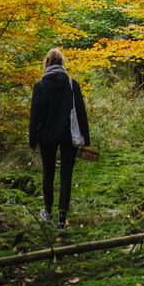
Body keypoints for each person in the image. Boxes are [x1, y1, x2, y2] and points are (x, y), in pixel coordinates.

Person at [29, 47, 90, 230]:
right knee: (66, 176)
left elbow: (35, 115)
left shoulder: (40, 86)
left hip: (46, 137)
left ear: (47, 63)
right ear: (62, 63)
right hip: (68, 136)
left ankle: (47, 211)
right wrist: (85, 138)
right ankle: (62, 219)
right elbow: (80, 112)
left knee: (48, 174)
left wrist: (33, 139)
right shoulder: (72, 84)